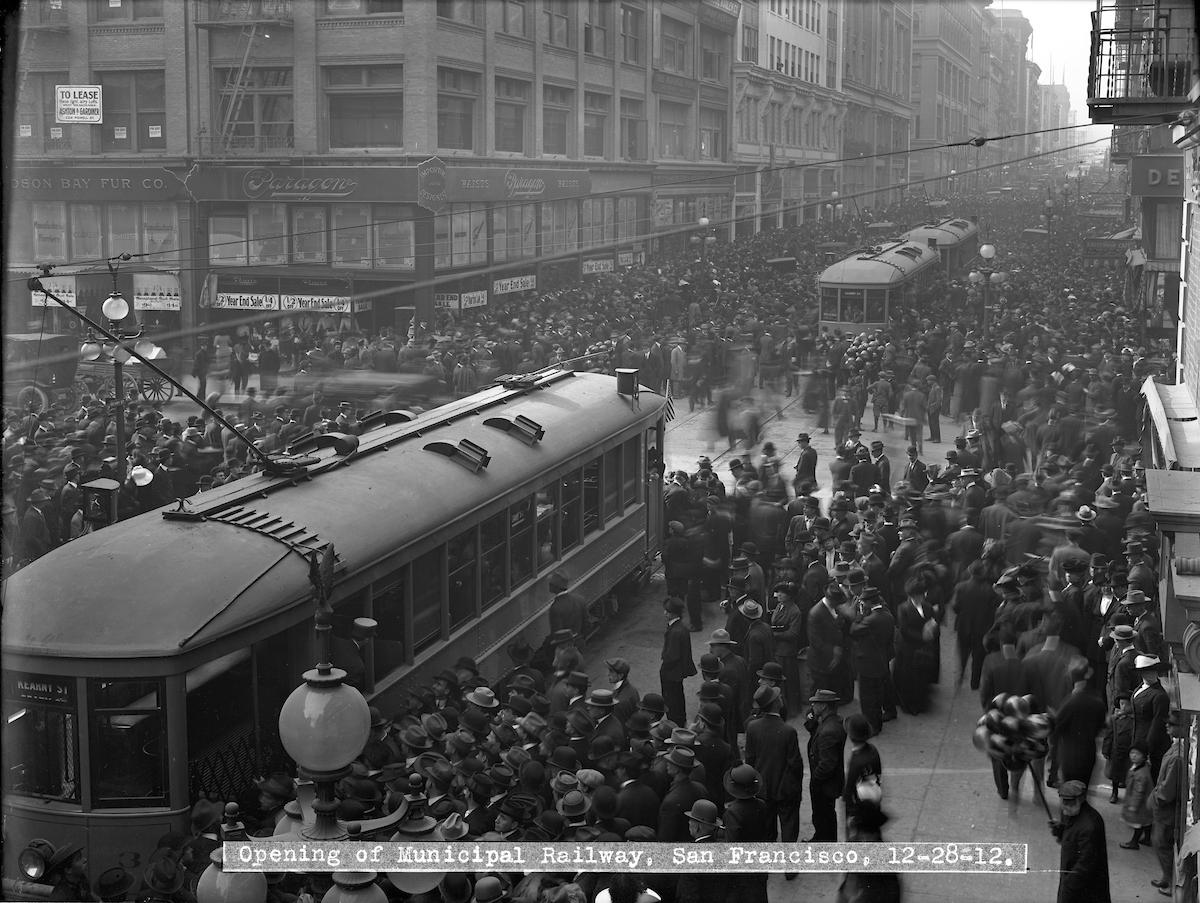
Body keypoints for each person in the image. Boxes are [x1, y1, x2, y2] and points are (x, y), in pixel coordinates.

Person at [1050, 779, 1111, 903]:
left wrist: (1068, 887)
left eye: (1069, 803)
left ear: (1080, 800)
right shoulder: (1073, 814)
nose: (1064, 807)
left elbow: (1085, 864)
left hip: (1083, 888)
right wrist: (1060, 830)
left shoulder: (1090, 826)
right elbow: (1072, 839)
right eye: (1063, 802)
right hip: (1073, 881)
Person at [1053, 659, 1107, 788]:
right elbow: (1101, 727)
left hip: (1069, 755)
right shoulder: (1097, 701)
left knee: (1069, 795)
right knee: (1083, 791)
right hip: (1088, 753)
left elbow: (1056, 729)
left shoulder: (1068, 703)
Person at [893, 573, 941, 715]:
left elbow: (935, 624)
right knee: (909, 678)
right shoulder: (903, 608)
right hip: (908, 648)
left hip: (923, 649)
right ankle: (909, 704)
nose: (919, 598)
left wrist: (932, 632)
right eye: (916, 595)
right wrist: (923, 637)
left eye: (920, 595)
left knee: (921, 677)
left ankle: (921, 703)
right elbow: (904, 630)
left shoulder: (928, 607)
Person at [805, 688, 847, 842]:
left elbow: (827, 764)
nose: (812, 706)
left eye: (815, 703)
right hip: (827, 782)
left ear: (824, 706)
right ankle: (820, 837)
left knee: (823, 815)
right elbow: (810, 728)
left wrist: (815, 780)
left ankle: (825, 843)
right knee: (823, 815)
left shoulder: (828, 731)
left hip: (824, 784)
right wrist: (813, 718)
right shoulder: (831, 721)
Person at [660, 597, 697, 727]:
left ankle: (674, 724)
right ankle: (680, 721)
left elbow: (672, 656)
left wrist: (665, 663)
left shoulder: (675, 631)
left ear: (674, 613)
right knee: (678, 698)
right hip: (677, 672)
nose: (665, 613)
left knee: (671, 701)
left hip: (671, 672)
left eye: (667, 611)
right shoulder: (681, 627)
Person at [1119, 742, 1154, 849]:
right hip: (1146, 803)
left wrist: (1133, 805)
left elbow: (1138, 792)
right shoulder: (1140, 767)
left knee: (1137, 823)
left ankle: (1134, 842)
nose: (1133, 756)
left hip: (1141, 803)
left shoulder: (1141, 774)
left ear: (1144, 757)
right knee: (1146, 821)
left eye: (1137, 754)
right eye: (1132, 753)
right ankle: (1147, 839)